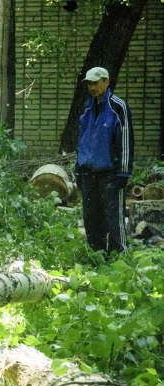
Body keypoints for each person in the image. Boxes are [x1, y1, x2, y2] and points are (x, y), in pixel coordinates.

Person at [74, 66, 134, 254]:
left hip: (110, 173)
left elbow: (125, 139)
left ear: (106, 82)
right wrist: (78, 169)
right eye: (89, 83)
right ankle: (97, 257)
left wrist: (124, 172)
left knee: (113, 219)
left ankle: (119, 256)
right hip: (88, 172)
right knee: (91, 218)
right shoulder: (87, 107)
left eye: (96, 82)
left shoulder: (118, 106)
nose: (92, 87)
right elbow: (82, 140)